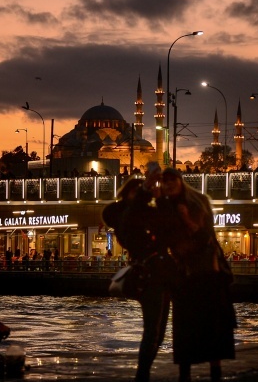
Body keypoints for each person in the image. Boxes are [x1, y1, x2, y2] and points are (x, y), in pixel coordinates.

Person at [157, 167, 236, 382]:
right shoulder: (164, 205)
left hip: (207, 273)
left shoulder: (197, 202)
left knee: (212, 327)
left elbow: (204, 237)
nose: (169, 184)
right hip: (184, 275)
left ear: (181, 182)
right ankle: (185, 374)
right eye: (164, 182)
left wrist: (187, 220)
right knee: (185, 329)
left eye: (172, 180)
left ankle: (215, 373)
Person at [102, 164, 177, 382]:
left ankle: (143, 372)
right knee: (152, 330)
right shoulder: (126, 217)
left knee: (159, 332)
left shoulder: (141, 215)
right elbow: (134, 212)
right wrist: (146, 189)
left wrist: (160, 196)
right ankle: (142, 375)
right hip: (150, 275)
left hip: (162, 273)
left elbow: (166, 222)